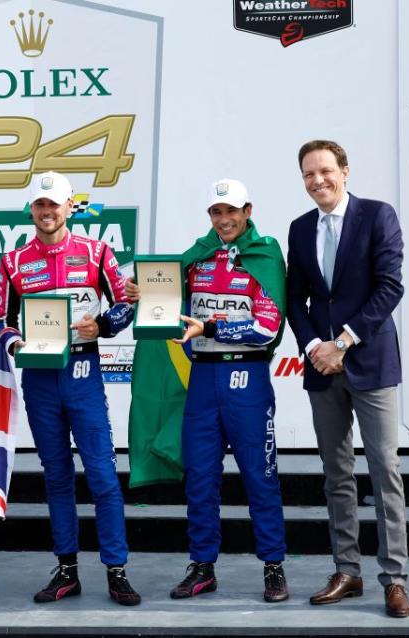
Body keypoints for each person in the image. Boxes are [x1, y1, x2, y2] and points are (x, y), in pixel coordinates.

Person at [127, 179, 288, 602]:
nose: (224, 219)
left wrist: (213, 326)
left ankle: (273, 566)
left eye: (231, 211)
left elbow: (266, 330)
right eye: (217, 212)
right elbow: (163, 301)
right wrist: (140, 293)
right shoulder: (198, 259)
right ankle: (202, 566)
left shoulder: (265, 254)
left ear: (247, 210)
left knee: (260, 476)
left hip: (246, 379)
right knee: (199, 478)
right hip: (202, 381)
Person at [0, 171, 141, 606]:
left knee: (101, 473)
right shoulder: (14, 260)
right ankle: (67, 570)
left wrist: (103, 324)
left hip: (82, 370)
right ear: (32, 210)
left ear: (68, 207)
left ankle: (116, 569)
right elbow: (2, 319)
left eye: (54, 204)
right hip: (39, 375)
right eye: (40, 205)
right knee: (56, 475)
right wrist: (16, 341)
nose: (47, 212)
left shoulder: (96, 252)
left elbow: (125, 304)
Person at [286, 140, 409, 617]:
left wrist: (344, 341)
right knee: (337, 475)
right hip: (322, 368)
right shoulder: (300, 229)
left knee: (385, 472)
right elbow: (295, 298)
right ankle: (348, 571)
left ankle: (394, 579)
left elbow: (390, 286)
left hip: (371, 362)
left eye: (324, 171)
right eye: (308, 174)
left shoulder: (378, 216)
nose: (317, 180)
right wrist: (315, 346)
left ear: (345, 171)